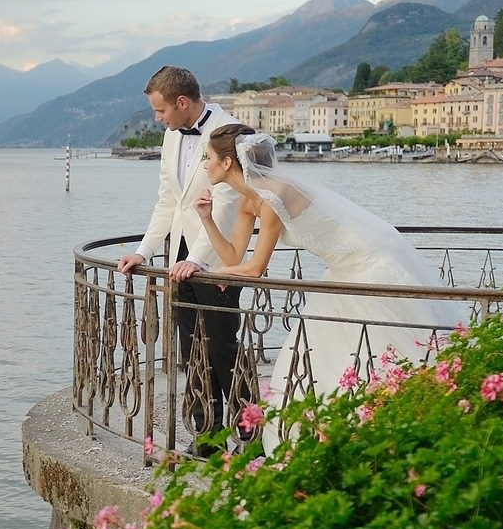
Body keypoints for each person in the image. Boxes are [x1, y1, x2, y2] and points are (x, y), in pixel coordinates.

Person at [188, 123, 463, 403]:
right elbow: (234, 257)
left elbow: (255, 269)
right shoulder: (248, 201)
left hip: (367, 262)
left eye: (207, 158)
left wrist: (221, 272)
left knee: (395, 342)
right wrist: (206, 218)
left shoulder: (271, 196)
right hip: (342, 269)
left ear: (226, 162)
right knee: (325, 348)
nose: (205, 165)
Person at [115, 65, 242, 444]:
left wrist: (199, 259)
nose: (158, 119)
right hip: (178, 256)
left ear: (181, 102)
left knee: (222, 347)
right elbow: (168, 200)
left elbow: (229, 202)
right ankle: (207, 434)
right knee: (191, 349)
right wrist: (144, 251)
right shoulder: (173, 136)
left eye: (161, 111)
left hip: (218, 257)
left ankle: (248, 426)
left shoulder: (228, 131)